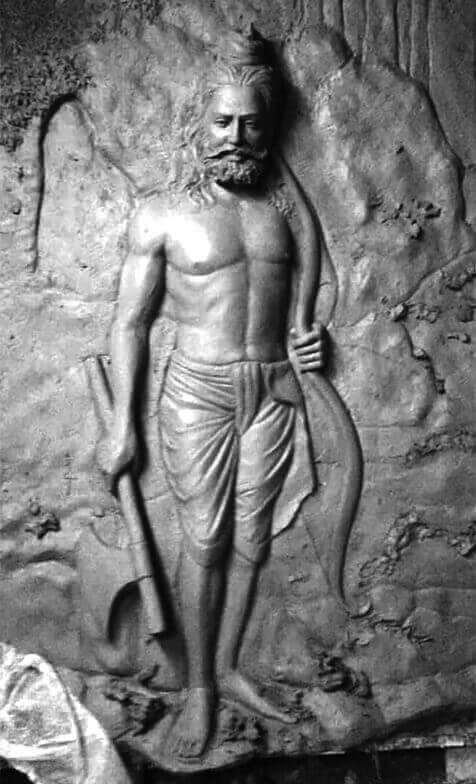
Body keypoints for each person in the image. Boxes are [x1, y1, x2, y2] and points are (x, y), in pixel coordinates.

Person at [100, 28, 324, 758]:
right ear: (199, 123)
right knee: (204, 539)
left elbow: (301, 306)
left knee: (252, 539)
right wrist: (122, 424)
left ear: (268, 129)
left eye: (250, 123)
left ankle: (228, 667)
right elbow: (130, 323)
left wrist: (309, 340)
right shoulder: (161, 215)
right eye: (222, 121)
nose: (236, 136)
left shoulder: (280, 215)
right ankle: (196, 690)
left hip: (273, 389)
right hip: (198, 391)